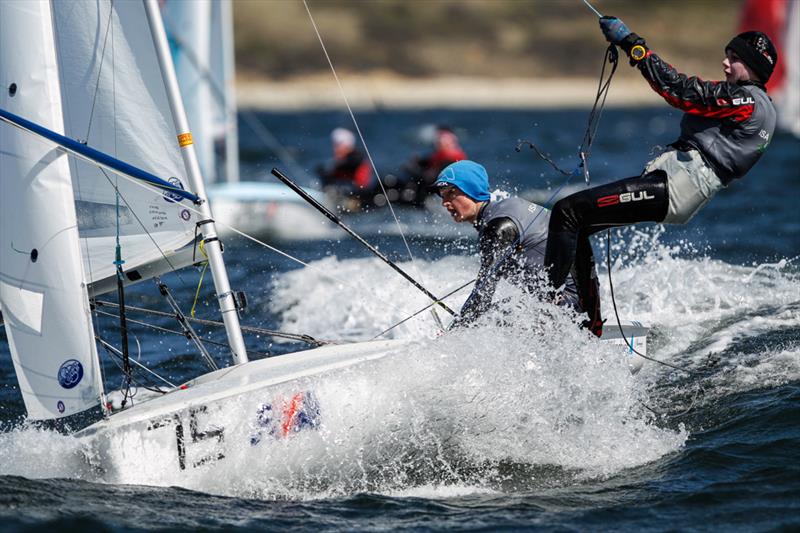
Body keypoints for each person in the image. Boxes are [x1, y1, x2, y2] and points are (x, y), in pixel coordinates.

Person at [544, 19, 778, 315]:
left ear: (754, 66)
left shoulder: (747, 100)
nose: (725, 63)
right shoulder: (763, 105)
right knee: (577, 223)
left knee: (567, 212)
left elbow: (680, 90)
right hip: (682, 184)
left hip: (680, 186)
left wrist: (633, 45)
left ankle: (545, 308)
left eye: (734, 59)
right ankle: (587, 322)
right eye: (727, 56)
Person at [432, 160, 603, 334]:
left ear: (472, 190)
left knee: (492, 318)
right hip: (579, 300)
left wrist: (455, 334)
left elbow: (483, 292)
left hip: (569, 306)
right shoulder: (505, 210)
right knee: (494, 315)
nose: (444, 202)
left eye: (451, 193)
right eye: (442, 195)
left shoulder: (498, 227)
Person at [405, 126, 467, 205]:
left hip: (440, 187)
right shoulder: (439, 155)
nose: (437, 142)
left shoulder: (453, 156)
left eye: (441, 140)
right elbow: (428, 161)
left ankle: (417, 201)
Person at [317, 127, 373, 209]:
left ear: (348, 145)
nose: (335, 148)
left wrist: (333, 167)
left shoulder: (356, 157)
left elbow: (351, 164)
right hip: (344, 196)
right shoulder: (338, 162)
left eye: (338, 145)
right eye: (334, 145)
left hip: (358, 197)